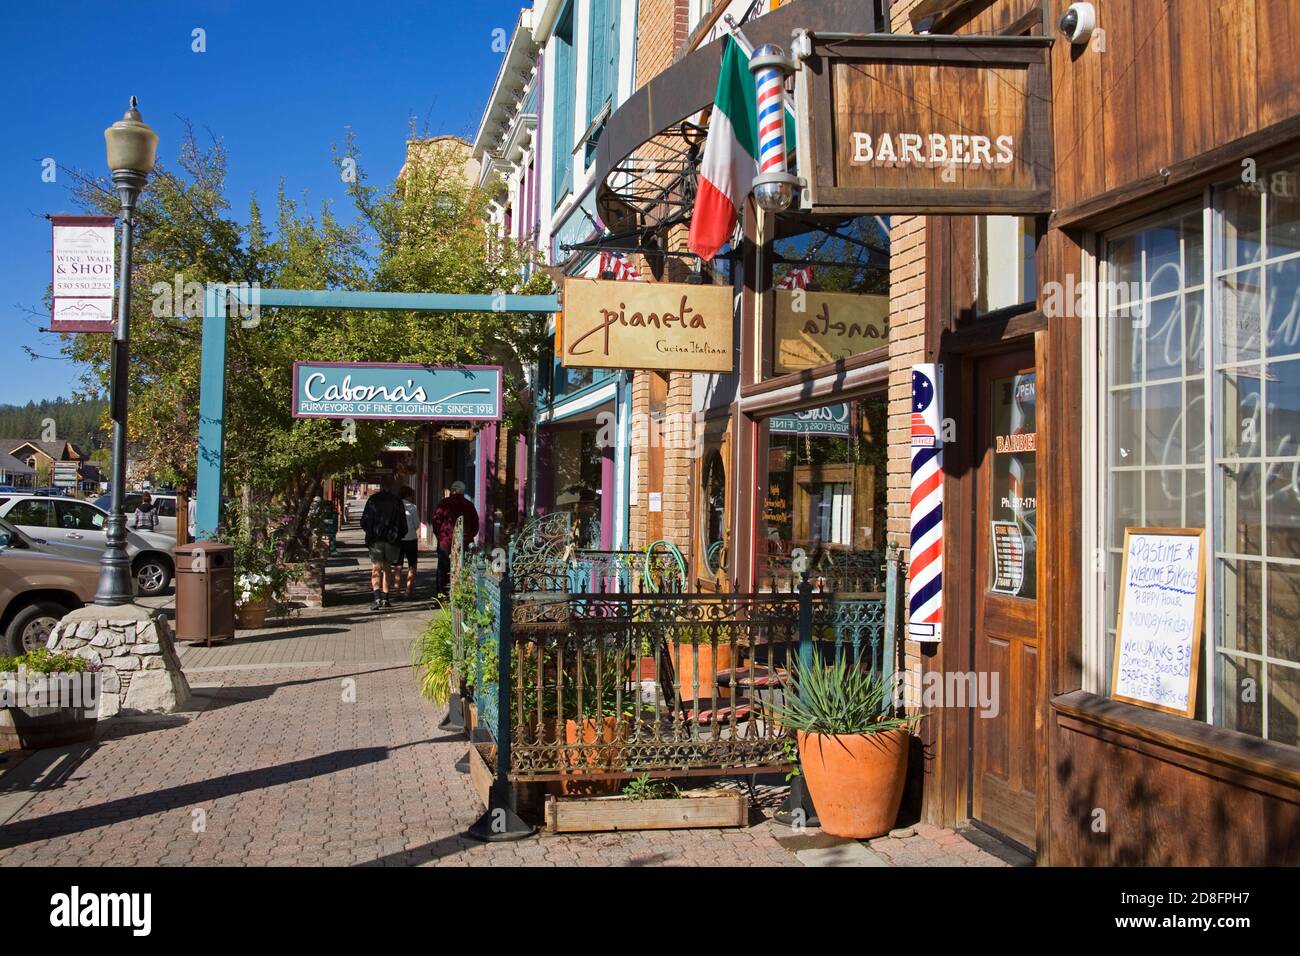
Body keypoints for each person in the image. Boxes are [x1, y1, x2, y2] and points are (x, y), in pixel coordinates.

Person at [361, 482, 407, 610]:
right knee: (387, 568)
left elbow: (364, 521)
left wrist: (370, 532)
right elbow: (403, 522)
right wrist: (399, 535)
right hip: (392, 540)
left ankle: (377, 598)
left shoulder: (372, 500)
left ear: (380, 487)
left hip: (375, 539)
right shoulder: (397, 501)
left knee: (376, 568)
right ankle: (386, 598)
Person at [430, 480, 479, 595]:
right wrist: (468, 536)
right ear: (463, 492)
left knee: (443, 569)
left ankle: (442, 595)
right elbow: (475, 525)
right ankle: (460, 594)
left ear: (452, 491)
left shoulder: (443, 503)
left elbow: (436, 521)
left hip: (445, 542)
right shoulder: (469, 505)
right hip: (464, 542)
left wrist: (440, 536)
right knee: (463, 568)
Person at [396, 486, 419, 598]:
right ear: (409, 495)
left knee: (398, 565)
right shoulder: (413, 507)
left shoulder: (395, 506)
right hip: (411, 539)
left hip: (398, 540)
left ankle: (397, 591)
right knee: (412, 565)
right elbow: (417, 524)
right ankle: (408, 590)